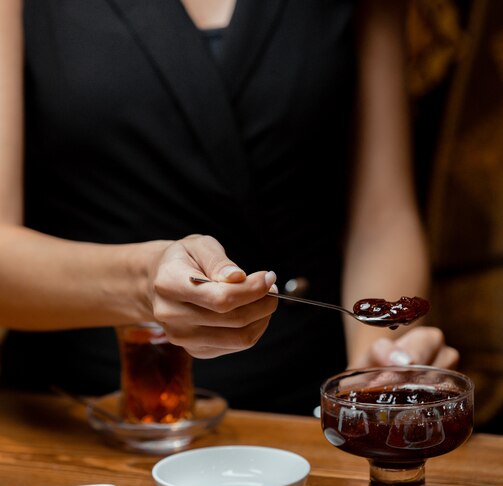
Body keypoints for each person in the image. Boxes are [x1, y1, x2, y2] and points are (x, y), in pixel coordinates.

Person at [0, 0, 459, 416]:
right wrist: (143, 281)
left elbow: (382, 218)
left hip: (304, 414)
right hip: (88, 414)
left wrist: (375, 366)